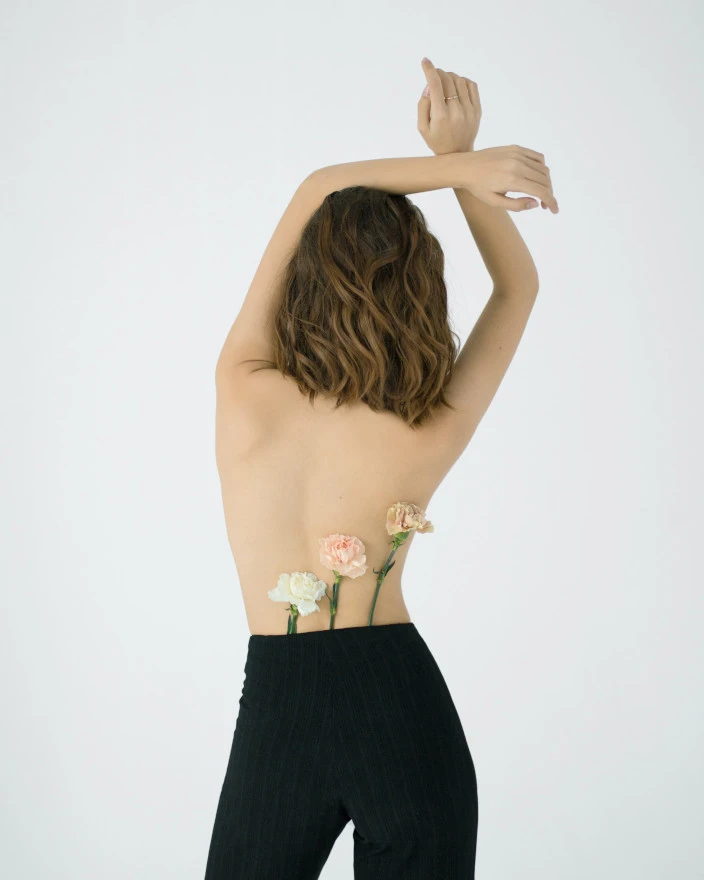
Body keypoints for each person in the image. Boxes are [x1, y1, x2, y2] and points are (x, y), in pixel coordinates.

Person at [203, 57, 558, 880]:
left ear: (302, 283)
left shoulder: (243, 387)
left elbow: (318, 187)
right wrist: (464, 173)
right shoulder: (427, 424)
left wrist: (455, 164)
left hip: (279, 705)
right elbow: (517, 288)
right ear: (422, 291)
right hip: (400, 700)